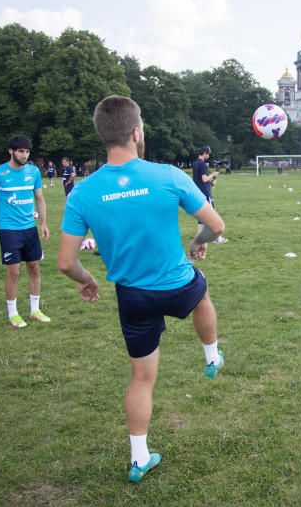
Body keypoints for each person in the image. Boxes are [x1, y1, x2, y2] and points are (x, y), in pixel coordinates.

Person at [57, 95, 226, 483]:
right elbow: (216, 226)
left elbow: (66, 262)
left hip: (132, 297)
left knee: (141, 379)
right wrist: (200, 240)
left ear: (104, 136)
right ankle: (212, 357)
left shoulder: (82, 192)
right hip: (177, 283)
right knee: (201, 293)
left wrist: (87, 280)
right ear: (137, 133)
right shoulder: (167, 174)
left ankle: (138, 459)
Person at [0, 134, 50, 328]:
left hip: (30, 228)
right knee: (14, 272)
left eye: (27, 151)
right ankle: (13, 314)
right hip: (9, 229)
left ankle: (35, 310)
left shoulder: (33, 172)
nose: (24, 155)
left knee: (34, 267)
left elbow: (40, 199)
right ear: (11, 151)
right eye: (21, 151)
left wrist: (43, 223)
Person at [193, 146, 228, 245]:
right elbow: (204, 179)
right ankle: (216, 237)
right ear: (204, 153)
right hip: (205, 193)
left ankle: (199, 236)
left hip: (199, 192)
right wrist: (213, 174)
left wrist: (211, 183)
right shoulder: (202, 164)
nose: (208, 156)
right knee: (211, 215)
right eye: (208, 154)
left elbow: (200, 180)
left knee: (202, 216)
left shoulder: (195, 163)